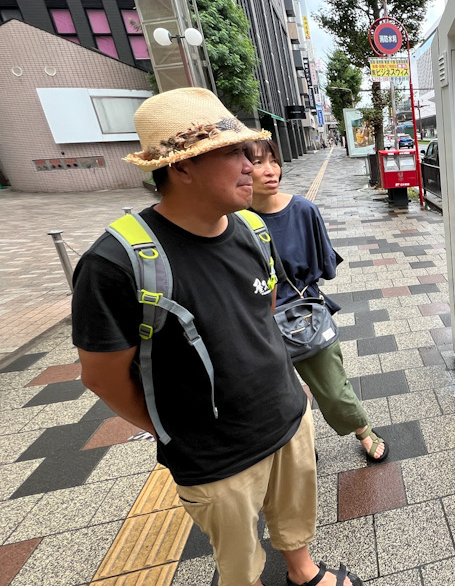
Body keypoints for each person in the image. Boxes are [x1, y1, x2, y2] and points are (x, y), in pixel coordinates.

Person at [71, 88, 361, 586]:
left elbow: (262, 312)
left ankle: (304, 571)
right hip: (214, 456)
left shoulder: (252, 229)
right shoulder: (114, 263)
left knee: (295, 517)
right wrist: (175, 431)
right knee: (238, 560)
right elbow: (101, 376)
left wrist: (291, 391)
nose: (251, 163)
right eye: (232, 152)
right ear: (181, 168)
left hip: (286, 418)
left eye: (248, 151)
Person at [246, 138, 387, 462]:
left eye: (273, 160)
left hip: (303, 315)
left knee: (333, 388)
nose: (270, 171)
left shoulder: (303, 210)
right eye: (257, 162)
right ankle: (298, 441)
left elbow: (324, 269)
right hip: (257, 324)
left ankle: (362, 429)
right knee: (276, 396)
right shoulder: (235, 222)